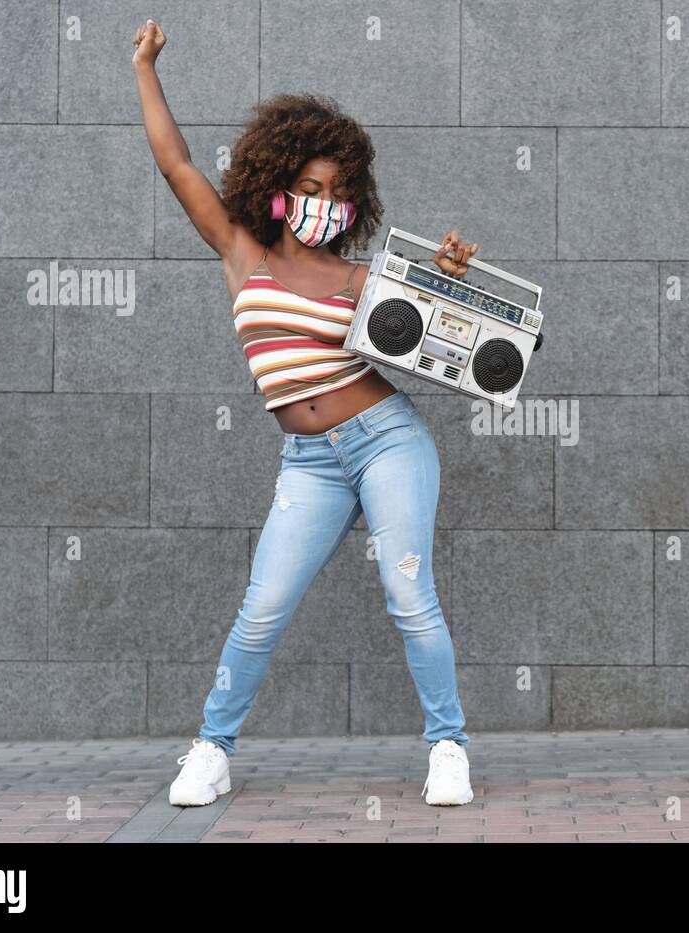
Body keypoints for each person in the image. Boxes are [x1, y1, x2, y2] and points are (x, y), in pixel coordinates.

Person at [131, 19, 478, 807]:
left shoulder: (364, 278)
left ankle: (448, 746)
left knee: (408, 593)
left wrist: (451, 273)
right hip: (312, 462)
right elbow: (176, 162)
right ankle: (211, 750)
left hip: (388, 441)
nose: (323, 203)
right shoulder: (241, 251)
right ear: (279, 186)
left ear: (354, 204)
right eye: (310, 189)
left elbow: (454, 331)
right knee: (261, 609)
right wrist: (145, 67)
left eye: (338, 193)